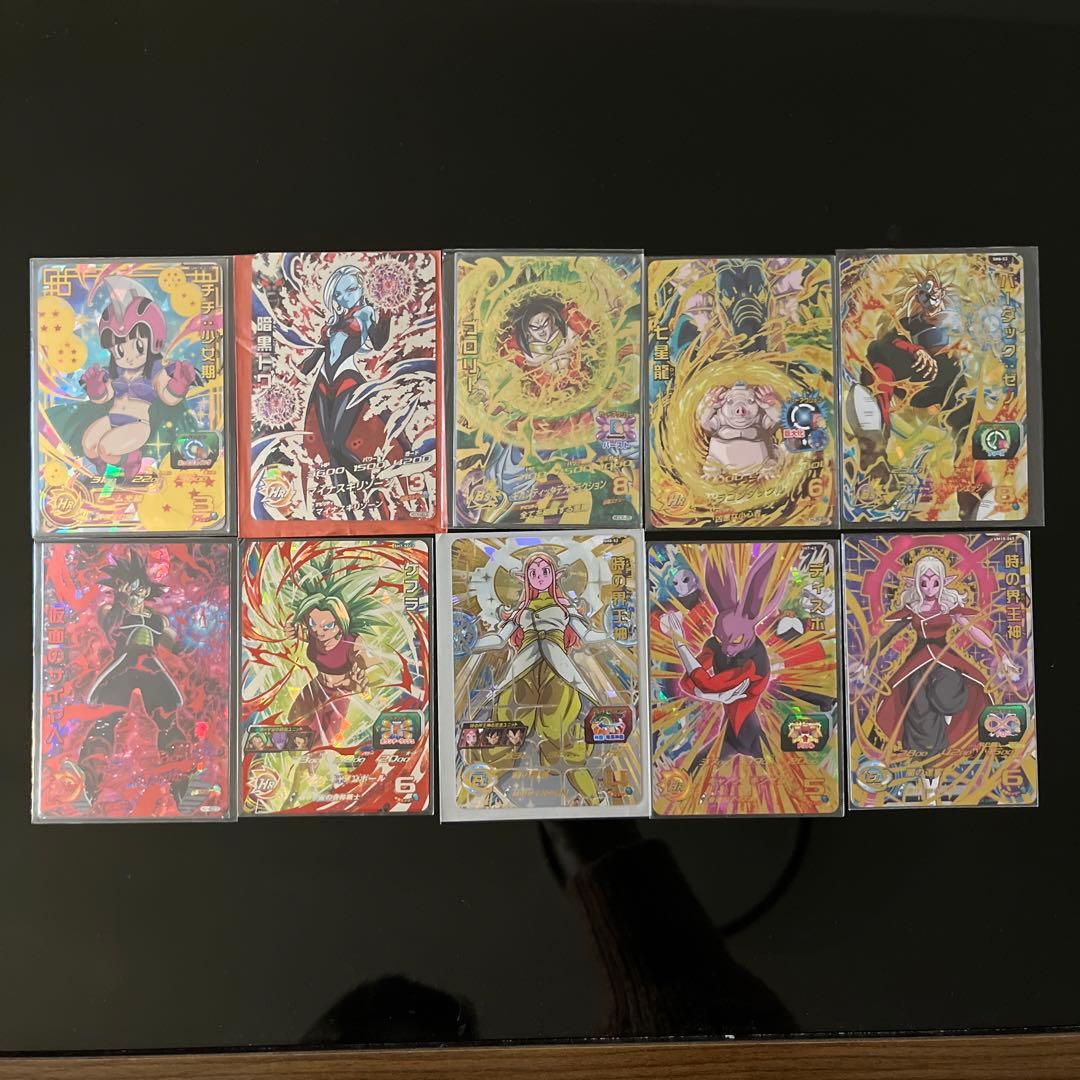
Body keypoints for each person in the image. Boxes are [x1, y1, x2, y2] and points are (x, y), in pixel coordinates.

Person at [464, 551, 608, 804]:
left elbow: (588, 636)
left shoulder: (565, 608)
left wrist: (617, 632)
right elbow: (498, 639)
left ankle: (595, 800)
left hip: (558, 671)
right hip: (522, 670)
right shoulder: (520, 611)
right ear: (526, 578)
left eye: (544, 571)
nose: (539, 577)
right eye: (533, 573)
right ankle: (472, 794)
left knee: (561, 733)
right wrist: (468, 643)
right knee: (506, 729)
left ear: (554, 575)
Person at [856, 553, 1021, 754]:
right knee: (917, 703)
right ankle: (924, 751)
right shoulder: (913, 609)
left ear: (942, 582)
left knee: (950, 689)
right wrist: (867, 661)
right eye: (923, 583)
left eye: (935, 583)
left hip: (945, 657)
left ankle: (949, 720)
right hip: (918, 660)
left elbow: (972, 630)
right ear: (916, 584)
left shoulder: (947, 607)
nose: (929, 588)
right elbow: (888, 636)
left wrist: (1001, 654)